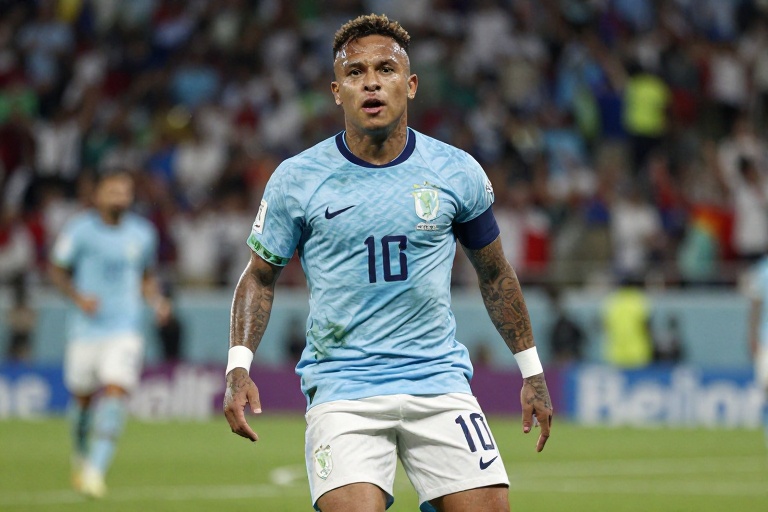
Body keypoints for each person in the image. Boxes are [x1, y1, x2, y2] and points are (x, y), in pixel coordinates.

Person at [223, 14, 553, 512]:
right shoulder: (298, 178)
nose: (371, 82)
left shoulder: (455, 170)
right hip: (344, 388)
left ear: (410, 84)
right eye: (355, 72)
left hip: (438, 381)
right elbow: (259, 277)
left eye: (386, 69)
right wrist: (238, 367)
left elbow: (495, 274)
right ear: (337, 91)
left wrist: (532, 372)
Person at [49, 170, 170, 498]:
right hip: (85, 329)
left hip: (125, 329)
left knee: (116, 392)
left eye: (125, 191)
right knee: (83, 400)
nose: (120, 197)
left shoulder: (143, 233)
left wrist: (157, 301)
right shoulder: (79, 230)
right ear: (98, 195)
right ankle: (80, 454)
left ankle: (95, 470)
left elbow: (146, 276)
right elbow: (56, 270)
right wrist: (78, 297)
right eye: (113, 190)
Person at [746, 255, 768, 448]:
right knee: (766, 387)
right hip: (766, 339)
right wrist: (752, 335)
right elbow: (755, 305)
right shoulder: (762, 270)